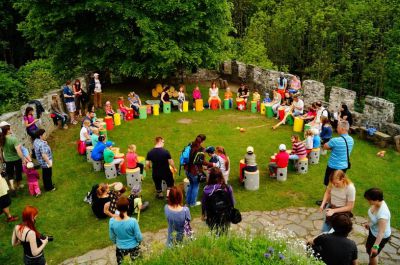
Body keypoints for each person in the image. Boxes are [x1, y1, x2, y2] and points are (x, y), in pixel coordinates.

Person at [109, 196, 142, 265]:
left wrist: (117, 242)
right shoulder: (133, 221)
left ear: (117, 208)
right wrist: (139, 241)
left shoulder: (112, 221)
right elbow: (139, 236)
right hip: (134, 248)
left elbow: (112, 237)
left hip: (120, 249)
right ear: (128, 207)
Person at [202, 167, 235, 235]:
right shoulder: (227, 187)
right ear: (221, 176)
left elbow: (204, 204)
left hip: (212, 216)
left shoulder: (206, 189)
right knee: (225, 232)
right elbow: (232, 202)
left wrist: (203, 214)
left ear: (210, 177)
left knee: (214, 233)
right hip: (225, 215)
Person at [364, 188, 391, 265]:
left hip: (380, 237)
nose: (368, 201)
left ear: (376, 199)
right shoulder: (377, 203)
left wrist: (375, 246)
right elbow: (374, 218)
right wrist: (369, 224)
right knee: (369, 249)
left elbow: (381, 232)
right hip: (373, 232)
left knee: (372, 254)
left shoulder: (383, 214)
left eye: (369, 200)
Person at [322, 121, 354, 186]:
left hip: (333, 166)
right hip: (344, 167)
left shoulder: (335, 140)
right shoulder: (351, 139)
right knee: (338, 184)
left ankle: (328, 196)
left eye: (337, 127)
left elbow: (325, 147)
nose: (336, 129)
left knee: (329, 185)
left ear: (342, 129)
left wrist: (330, 147)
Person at [0, 122, 25, 191]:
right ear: (7, 131)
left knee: (10, 174)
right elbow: (18, 150)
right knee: (18, 172)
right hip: (16, 159)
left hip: (7, 160)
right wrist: (23, 159)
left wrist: (2, 159)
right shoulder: (13, 139)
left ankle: (12, 186)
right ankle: (19, 184)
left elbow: (1, 151)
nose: (10, 130)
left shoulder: (1, 139)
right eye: (9, 129)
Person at [185, 134, 207, 207]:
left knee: (191, 185)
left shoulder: (190, 145)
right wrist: (212, 164)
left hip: (187, 170)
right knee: (195, 186)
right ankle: (192, 203)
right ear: (202, 141)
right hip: (194, 171)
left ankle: (188, 202)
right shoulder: (201, 149)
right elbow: (203, 162)